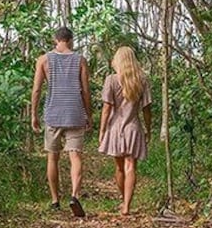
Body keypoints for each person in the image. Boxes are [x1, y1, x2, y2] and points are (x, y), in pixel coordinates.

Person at [31, 27, 93, 217]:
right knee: (75, 156)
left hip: (53, 114)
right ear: (71, 40)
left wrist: (33, 114)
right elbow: (85, 90)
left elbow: (36, 90)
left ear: (55, 39)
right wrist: (89, 114)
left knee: (53, 157)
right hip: (74, 113)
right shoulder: (80, 60)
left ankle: (55, 199)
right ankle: (74, 196)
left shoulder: (43, 60)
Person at [98, 46, 152, 216]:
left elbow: (107, 108)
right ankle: (127, 205)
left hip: (115, 127)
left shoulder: (111, 80)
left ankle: (123, 200)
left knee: (119, 167)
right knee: (131, 166)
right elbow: (146, 108)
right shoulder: (142, 80)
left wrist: (102, 130)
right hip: (133, 127)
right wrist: (148, 128)